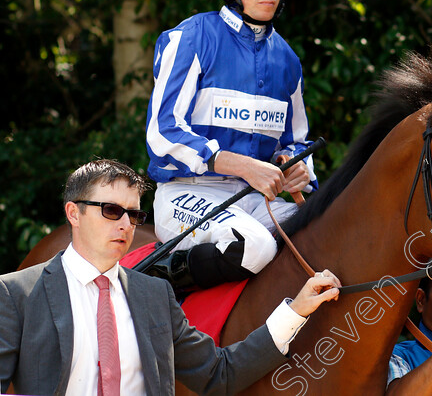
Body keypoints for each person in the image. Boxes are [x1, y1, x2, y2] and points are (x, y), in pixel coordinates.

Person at [0, 159, 340, 395]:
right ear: (73, 213)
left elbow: (221, 374)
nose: (124, 224)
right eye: (111, 211)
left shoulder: (155, 295)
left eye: (133, 215)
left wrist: (295, 311)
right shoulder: (15, 294)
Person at [145, 0, 318, 291]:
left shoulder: (288, 60)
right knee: (253, 246)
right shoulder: (189, 38)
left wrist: (297, 169)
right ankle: (154, 288)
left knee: (328, 236)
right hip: (186, 193)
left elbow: (297, 142)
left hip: (254, 202)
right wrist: (245, 166)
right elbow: (163, 132)